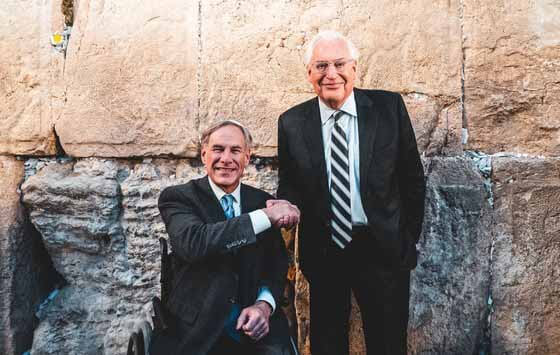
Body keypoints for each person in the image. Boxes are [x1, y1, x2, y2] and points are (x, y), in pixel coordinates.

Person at [275, 30, 426, 355]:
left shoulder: (388, 108)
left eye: (339, 64)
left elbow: (412, 178)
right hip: (325, 252)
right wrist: (283, 205)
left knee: (388, 344)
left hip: (384, 249)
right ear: (309, 74)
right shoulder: (291, 122)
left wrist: (405, 240)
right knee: (328, 344)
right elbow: (289, 183)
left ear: (354, 68)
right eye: (321, 66)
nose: (331, 74)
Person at [153, 120, 299, 355]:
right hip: (195, 329)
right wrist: (265, 216)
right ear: (204, 155)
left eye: (236, 151)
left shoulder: (262, 201)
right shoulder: (178, 198)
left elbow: (276, 266)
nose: (226, 159)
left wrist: (264, 306)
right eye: (218, 149)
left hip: (253, 330)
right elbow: (194, 243)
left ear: (247, 159)